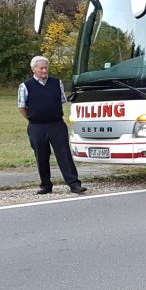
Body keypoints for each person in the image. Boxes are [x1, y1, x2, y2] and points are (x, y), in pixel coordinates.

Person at [17, 56, 86, 195]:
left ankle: (74, 184)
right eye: (41, 68)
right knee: (41, 156)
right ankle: (46, 186)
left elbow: (61, 101)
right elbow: (22, 107)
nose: (44, 70)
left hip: (56, 124)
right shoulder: (25, 86)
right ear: (33, 69)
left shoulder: (56, 83)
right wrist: (33, 118)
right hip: (37, 126)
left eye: (46, 67)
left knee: (64, 154)